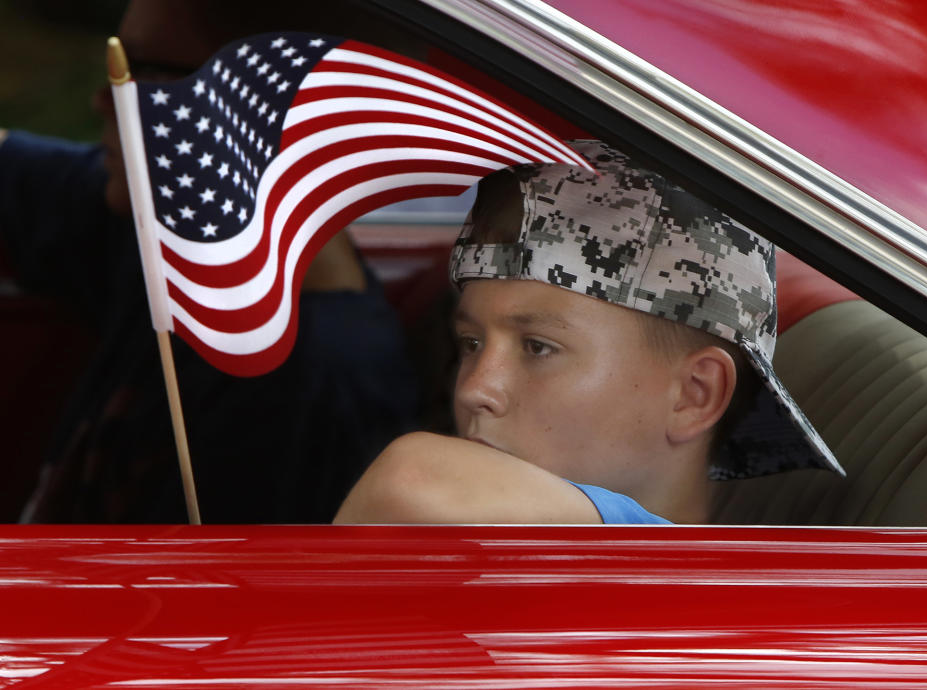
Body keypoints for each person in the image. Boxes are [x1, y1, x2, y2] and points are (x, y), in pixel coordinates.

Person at [0, 0, 421, 523]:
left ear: (280, 109)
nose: (101, 101)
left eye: (141, 77)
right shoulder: (160, 233)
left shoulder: (317, 391)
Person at [334, 140, 844, 525]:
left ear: (694, 394)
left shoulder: (662, 580)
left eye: (538, 347)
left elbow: (414, 477)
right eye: (472, 344)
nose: (474, 389)